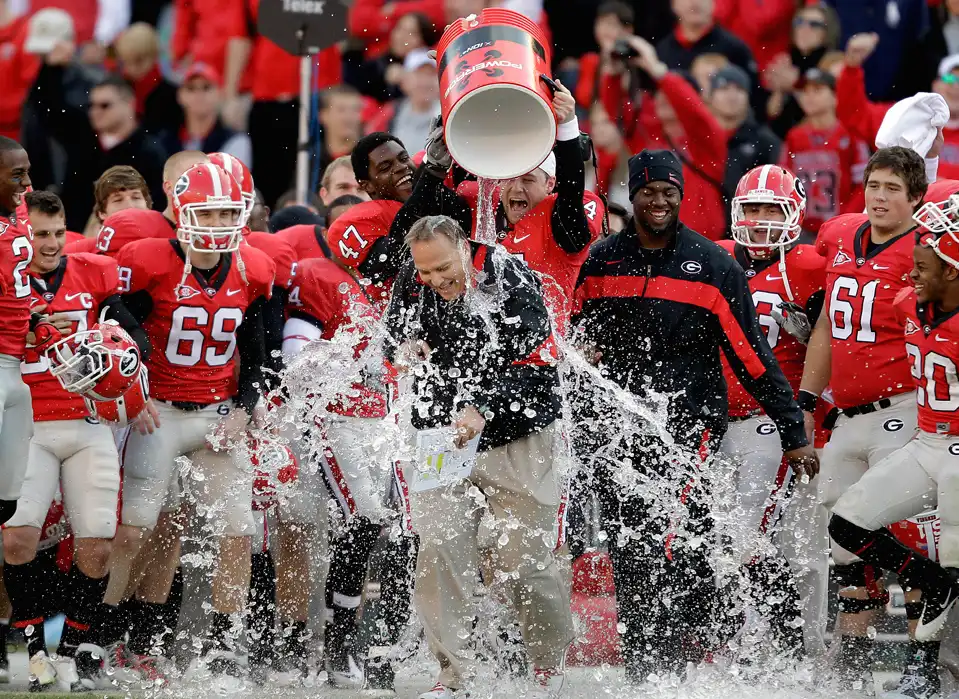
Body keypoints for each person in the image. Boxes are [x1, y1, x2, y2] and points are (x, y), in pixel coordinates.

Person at [572, 149, 816, 683]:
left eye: (670, 192)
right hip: (618, 424)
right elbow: (575, 336)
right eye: (649, 191)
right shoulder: (604, 258)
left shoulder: (711, 263)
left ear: (681, 197)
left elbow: (751, 357)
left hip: (689, 424)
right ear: (633, 194)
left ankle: (695, 658)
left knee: (676, 540)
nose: (659, 201)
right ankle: (647, 668)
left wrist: (793, 429)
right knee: (627, 545)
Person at [385, 215, 574, 699]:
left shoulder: (509, 274)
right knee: (437, 551)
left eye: (444, 268)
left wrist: (484, 408)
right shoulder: (414, 277)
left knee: (524, 559)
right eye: (425, 272)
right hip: (441, 436)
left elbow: (538, 360)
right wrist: (405, 348)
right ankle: (453, 677)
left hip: (517, 434)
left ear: (465, 249)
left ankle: (546, 665)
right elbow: (389, 340)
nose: (435, 280)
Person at [103, 163, 275, 690]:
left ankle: (221, 647)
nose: (219, 224)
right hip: (158, 411)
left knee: (237, 530)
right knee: (138, 528)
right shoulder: (149, 261)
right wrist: (134, 392)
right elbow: (115, 324)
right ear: (181, 214)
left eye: (227, 213)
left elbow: (257, 352)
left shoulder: (253, 268)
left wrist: (246, 407)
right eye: (209, 213)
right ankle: (107, 630)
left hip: (217, 414)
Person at [799, 146, 934, 687]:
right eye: (874, 185)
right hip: (847, 414)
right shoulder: (840, 235)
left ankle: (923, 661)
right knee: (842, 541)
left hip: (904, 408)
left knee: (903, 530)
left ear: (916, 197)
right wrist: (806, 400)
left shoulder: (926, 249)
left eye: (892, 189)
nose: (879, 197)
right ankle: (853, 660)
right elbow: (826, 327)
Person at [2, 190, 148, 692]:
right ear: (22, 238)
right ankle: (33, 651)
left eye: (58, 232)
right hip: (27, 426)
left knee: (98, 547)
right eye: (40, 234)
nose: (51, 244)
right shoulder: (6, 280)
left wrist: (114, 352)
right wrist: (29, 329)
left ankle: (71, 651)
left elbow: (135, 337)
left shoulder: (91, 274)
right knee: (17, 540)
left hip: (87, 423)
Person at [827, 204, 959, 699]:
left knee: (953, 551)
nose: (911, 275)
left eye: (922, 267)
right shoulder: (908, 303)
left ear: (952, 271)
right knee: (847, 523)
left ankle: (922, 670)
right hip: (926, 442)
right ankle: (930, 580)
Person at [718, 165, 829, 658]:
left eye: (772, 209)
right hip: (717, 421)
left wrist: (809, 405)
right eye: (752, 208)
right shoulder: (716, 256)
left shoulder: (807, 266)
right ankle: (747, 643)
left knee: (755, 535)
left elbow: (833, 339)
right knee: (725, 537)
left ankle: (790, 648)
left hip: (772, 421)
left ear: (795, 214)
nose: (761, 220)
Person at [281, 251, 402, 691]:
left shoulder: (396, 282)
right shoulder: (322, 275)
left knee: (386, 528)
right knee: (363, 519)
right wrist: (337, 364)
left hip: (382, 420)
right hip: (333, 419)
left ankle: (363, 642)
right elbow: (295, 358)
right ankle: (333, 643)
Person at [413, 79, 605, 332]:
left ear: (550, 184)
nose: (516, 188)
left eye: (528, 180)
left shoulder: (562, 218)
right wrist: (434, 164)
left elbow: (571, 191)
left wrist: (568, 125)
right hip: (483, 342)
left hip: (539, 346)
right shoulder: (478, 203)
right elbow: (418, 214)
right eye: (510, 178)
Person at [31, 45, 166, 232]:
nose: (95, 112)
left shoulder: (150, 152)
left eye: (104, 105)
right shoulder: (82, 136)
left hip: (126, 236)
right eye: (91, 105)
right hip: (73, 236)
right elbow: (46, 110)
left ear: (129, 104)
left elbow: (157, 205)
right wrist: (51, 69)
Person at [0, 136, 38, 526]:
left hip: (14, 365)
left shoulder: (18, 210)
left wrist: (33, 320)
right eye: (17, 175)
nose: (27, 183)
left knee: (6, 502)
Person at [783, 68, 867, 233]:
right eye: (805, 91)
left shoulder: (850, 136)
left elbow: (863, 185)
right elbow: (784, 180)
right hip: (800, 228)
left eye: (817, 90)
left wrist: (845, 220)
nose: (809, 97)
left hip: (841, 228)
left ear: (835, 97)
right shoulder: (794, 137)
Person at [159, 63, 252, 166]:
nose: (199, 95)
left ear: (220, 93)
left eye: (206, 88)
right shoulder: (165, 140)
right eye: (191, 88)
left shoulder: (235, 140)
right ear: (180, 95)